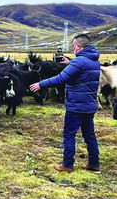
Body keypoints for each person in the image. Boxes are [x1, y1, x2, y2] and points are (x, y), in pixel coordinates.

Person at [29, 33, 101, 173]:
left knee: (69, 134)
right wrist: (70, 64)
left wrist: (41, 84)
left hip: (76, 105)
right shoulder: (94, 61)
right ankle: (94, 163)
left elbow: (61, 78)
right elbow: (82, 73)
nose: (72, 48)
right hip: (89, 104)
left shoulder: (78, 62)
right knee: (89, 134)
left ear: (79, 46)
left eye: (73, 45)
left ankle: (67, 164)